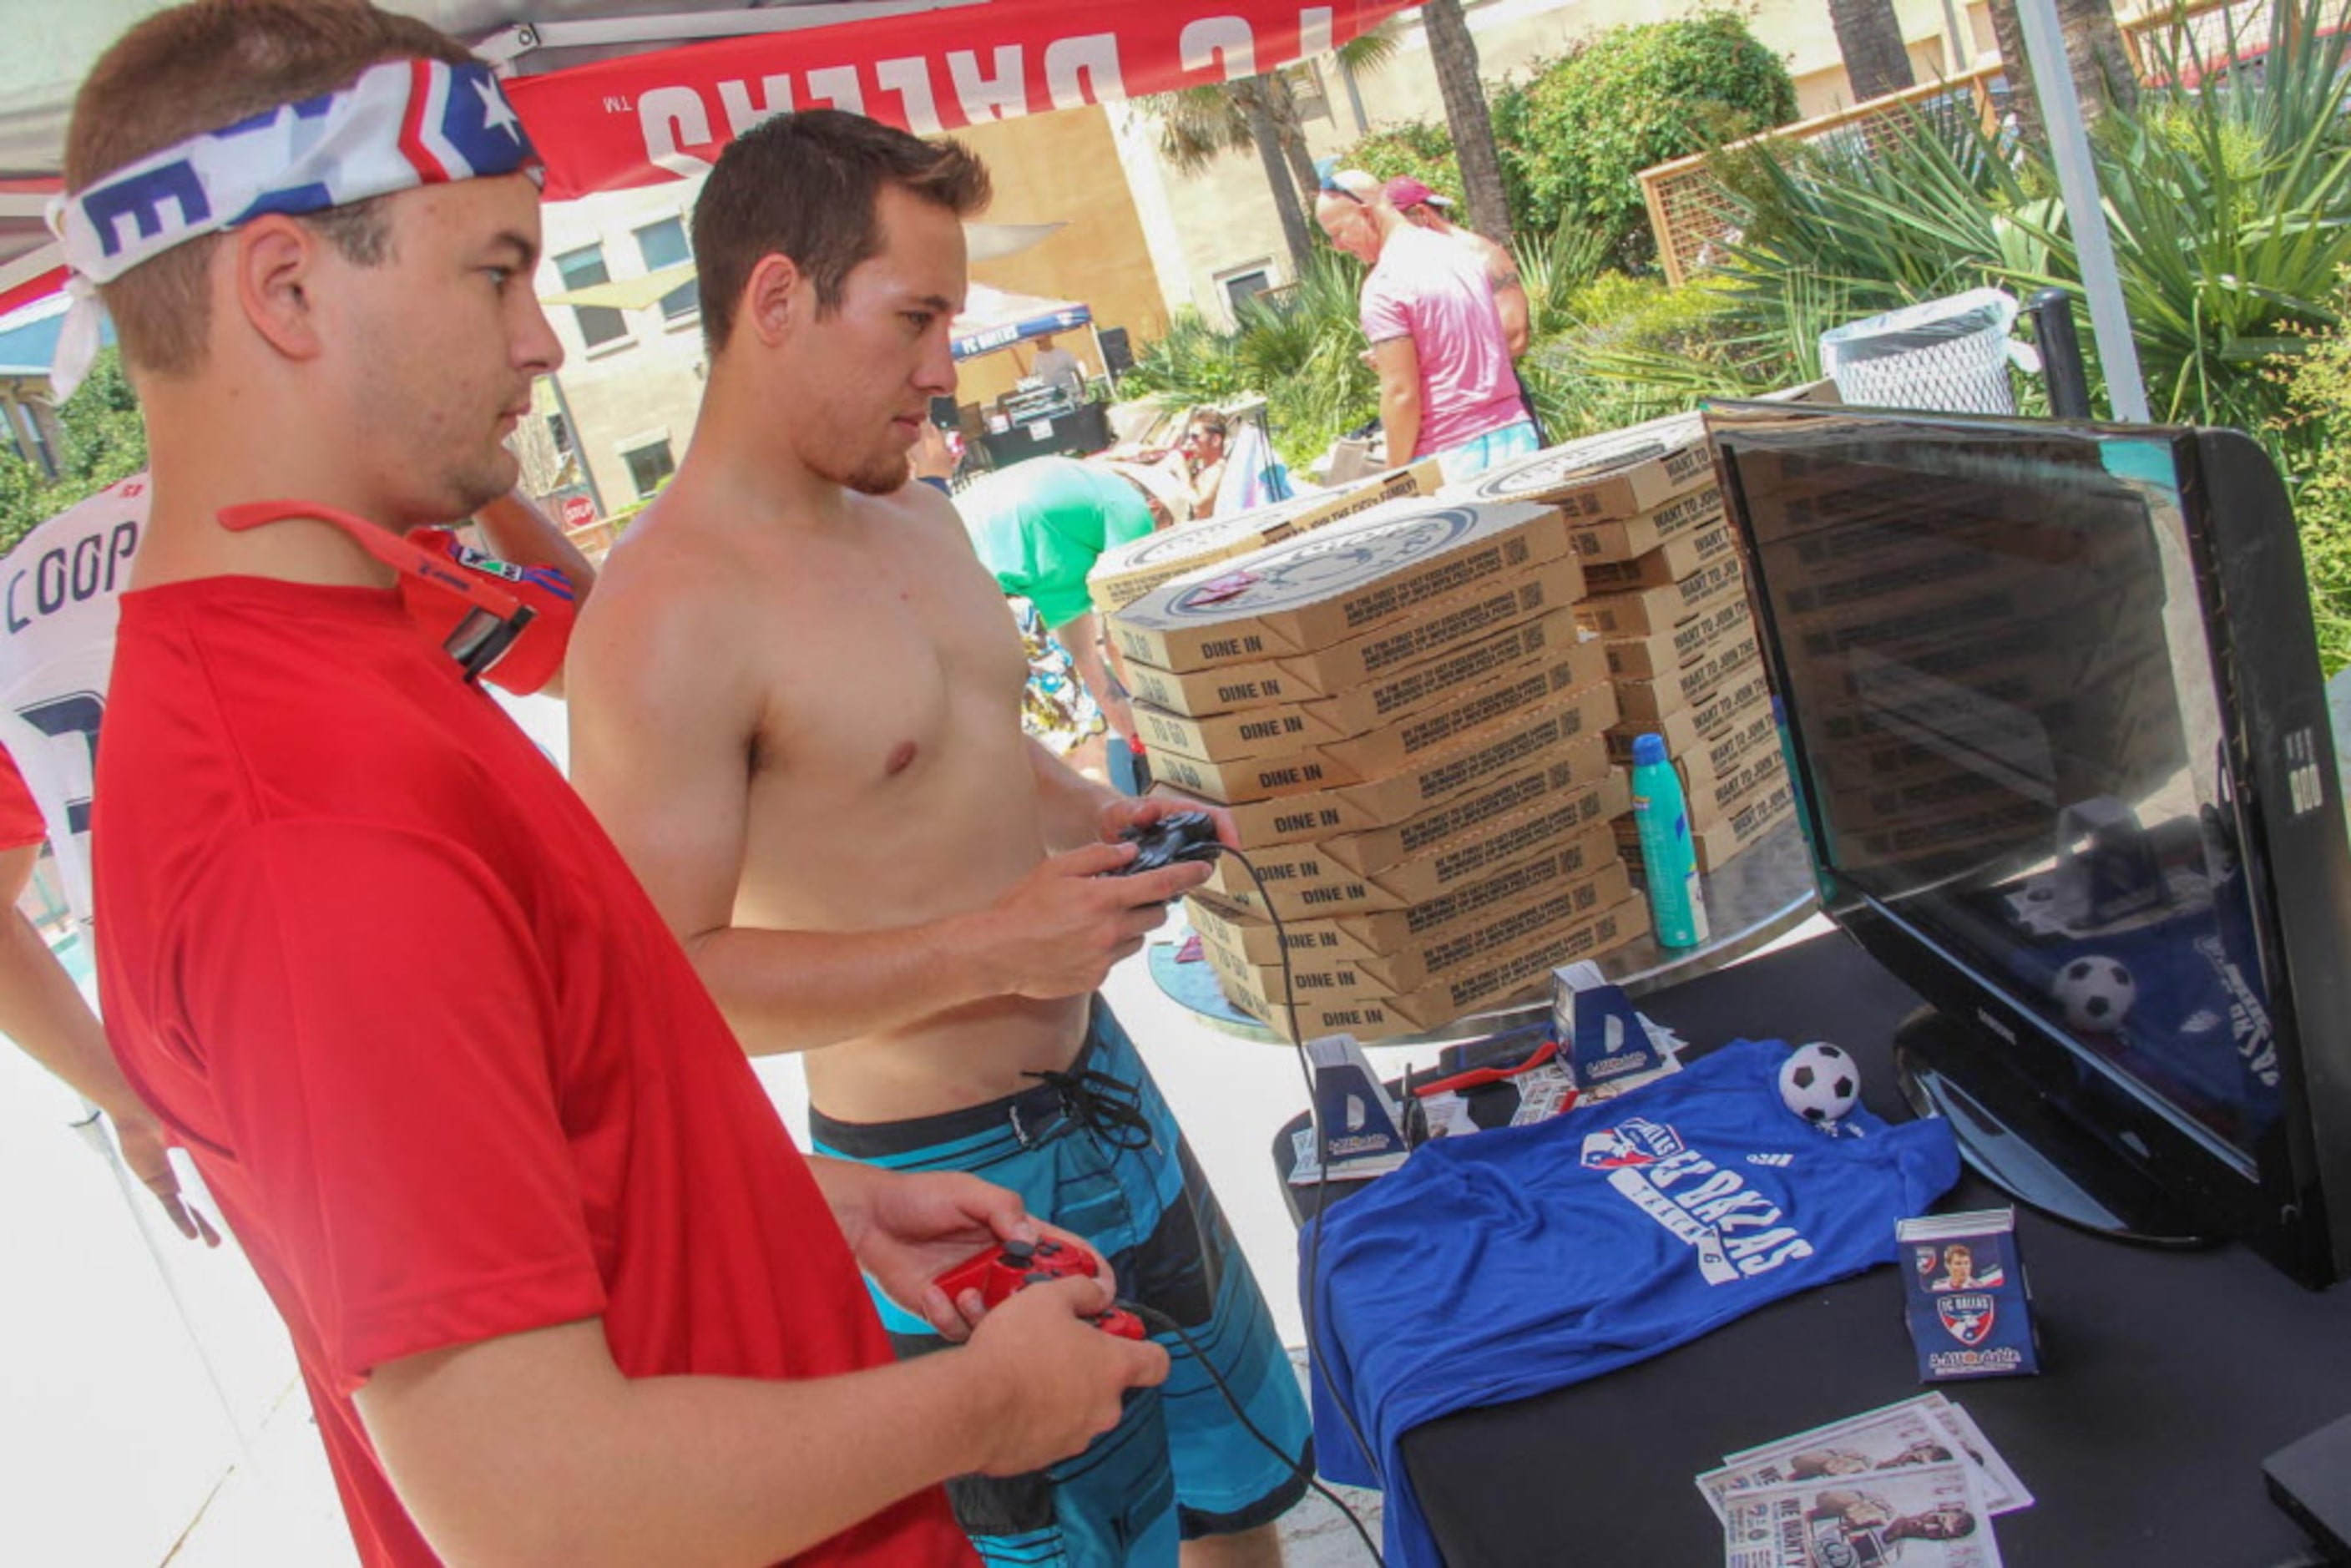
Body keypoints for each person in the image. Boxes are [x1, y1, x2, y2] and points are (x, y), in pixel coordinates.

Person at [70, 7, 1161, 1565]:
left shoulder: (334, 663)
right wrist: (984, 1408)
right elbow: (538, 1502)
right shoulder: (302, 817)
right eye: (497, 270)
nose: (543, 337)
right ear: (287, 288)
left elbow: (530, 1123)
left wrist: (798, 1200)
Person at [567, 109, 1312, 1567]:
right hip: (938, 1187)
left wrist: (1100, 815)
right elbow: (662, 992)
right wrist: (988, 944)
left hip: (1109, 1094)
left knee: (1242, 1493)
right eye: (914, 319)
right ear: (775, 298)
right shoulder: (665, 619)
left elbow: (974, 735)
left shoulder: (912, 511)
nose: (942, 367)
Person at [957, 453, 1187, 788]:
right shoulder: (1130, 509)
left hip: (953, 599)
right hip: (994, 604)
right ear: (1155, 508)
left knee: (1048, 760)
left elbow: (1085, 658)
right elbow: (1125, 639)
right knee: (1082, 753)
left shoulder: (1077, 524)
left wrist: (1139, 738)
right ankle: (1112, 838)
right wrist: (1175, 719)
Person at [1314, 169, 1538, 482]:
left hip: (1452, 456)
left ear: (1366, 214)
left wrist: (1394, 478)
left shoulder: (1385, 284)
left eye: (1337, 232)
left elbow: (1401, 393)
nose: (1337, 246)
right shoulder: (1460, 253)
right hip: (1516, 435)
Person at [1382, 176, 1529, 358]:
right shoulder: (1412, 268)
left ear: (1421, 214)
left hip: (1489, 383)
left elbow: (1515, 338)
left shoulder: (1480, 256)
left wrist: (1437, 360)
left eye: (1393, 224)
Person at [1178, 407, 1231, 517]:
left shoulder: (1218, 469)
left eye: (1195, 437)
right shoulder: (1206, 468)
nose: (1189, 442)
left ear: (1215, 440)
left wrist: (1182, 472)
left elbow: (1200, 509)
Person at [1031, 333, 1088, 403]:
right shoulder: (1037, 358)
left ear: (1048, 338)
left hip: (1069, 393)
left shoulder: (1063, 352)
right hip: (1050, 397)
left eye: (1039, 342)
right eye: (1036, 342)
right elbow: (1034, 377)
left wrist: (1083, 388)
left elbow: (1075, 370)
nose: (1038, 345)